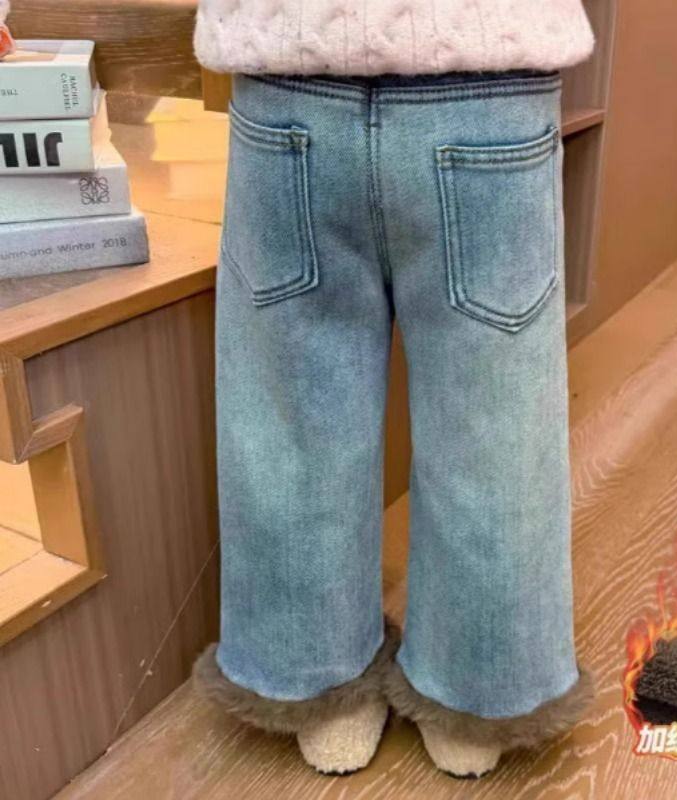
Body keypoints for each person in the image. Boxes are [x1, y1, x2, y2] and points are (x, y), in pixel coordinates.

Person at [0, 0, 597, 780]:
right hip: (489, 82)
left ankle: (320, 690)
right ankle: (480, 695)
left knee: (291, 418)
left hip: (290, 77)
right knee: (495, 423)